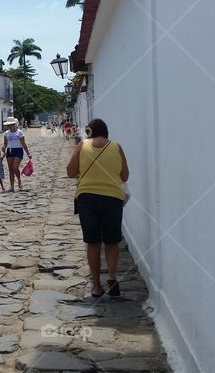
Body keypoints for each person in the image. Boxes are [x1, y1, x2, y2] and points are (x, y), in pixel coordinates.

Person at [66, 118, 130, 299]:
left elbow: (70, 172)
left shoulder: (82, 146)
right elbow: (125, 175)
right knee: (112, 241)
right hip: (112, 198)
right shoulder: (116, 147)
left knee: (93, 242)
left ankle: (96, 285)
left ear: (89, 132)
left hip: (87, 198)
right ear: (106, 132)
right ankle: (111, 275)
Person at [2, 117, 31, 192]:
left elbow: (23, 143)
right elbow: (5, 143)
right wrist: (4, 147)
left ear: (14, 124)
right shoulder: (6, 133)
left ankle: (19, 179)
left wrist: (28, 153)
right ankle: (12, 186)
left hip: (18, 150)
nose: (10, 126)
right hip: (10, 151)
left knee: (15, 167)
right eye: (9, 125)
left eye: (11, 125)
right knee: (10, 169)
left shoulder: (19, 132)